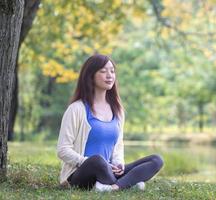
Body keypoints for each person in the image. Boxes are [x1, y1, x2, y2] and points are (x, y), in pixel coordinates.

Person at [57, 53, 163, 192]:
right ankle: (127, 185)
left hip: (108, 171)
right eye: (103, 71)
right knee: (98, 161)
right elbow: (63, 150)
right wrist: (85, 161)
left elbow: (118, 145)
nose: (109, 75)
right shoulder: (76, 109)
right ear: (90, 76)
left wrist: (118, 164)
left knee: (156, 160)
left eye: (112, 71)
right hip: (81, 174)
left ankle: (113, 187)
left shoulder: (117, 110)